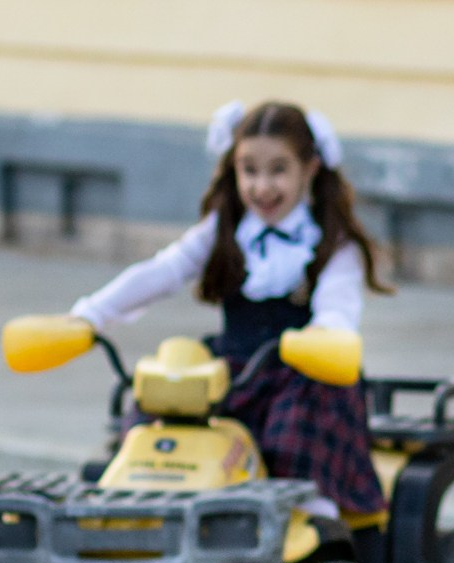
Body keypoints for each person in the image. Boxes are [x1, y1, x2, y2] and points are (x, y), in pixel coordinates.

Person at [67, 99, 391, 519]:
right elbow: (163, 271)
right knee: (159, 411)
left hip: (303, 377)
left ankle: (314, 534)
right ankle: (136, 512)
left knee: (292, 453)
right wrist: (91, 314)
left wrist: (325, 332)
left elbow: (339, 304)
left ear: (309, 169)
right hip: (236, 372)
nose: (262, 187)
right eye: (249, 170)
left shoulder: (332, 243)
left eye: (278, 170)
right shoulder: (224, 229)